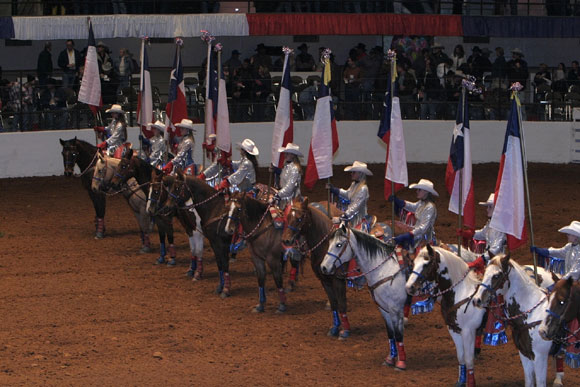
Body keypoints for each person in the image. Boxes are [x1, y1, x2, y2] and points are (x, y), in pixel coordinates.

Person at [460, 193, 506, 272]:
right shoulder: (490, 224)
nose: (487, 209)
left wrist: (482, 259)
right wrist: (470, 234)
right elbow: (482, 234)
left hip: (497, 262)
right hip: (488, 258)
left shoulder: (500, 227)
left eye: (490, 207)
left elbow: (495, 249)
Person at [388, 179, 438, 250]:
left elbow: (423, 228)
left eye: (419, 190)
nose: (417, 191)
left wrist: (410, 234)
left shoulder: (430, 207)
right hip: (416, 233)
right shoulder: (422, 203)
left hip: (424, 238)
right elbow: (413, 206)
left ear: (426, 191)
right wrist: (399, 201)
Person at [327, 161, 372, 230]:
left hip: (358, 219)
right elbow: (348, 194)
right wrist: (336, 190)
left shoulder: (363, 189)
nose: (351, 174)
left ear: (360, 174)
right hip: (351, 216)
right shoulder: (354, 185)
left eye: (354, 172)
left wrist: (344, 216)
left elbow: (355, 206)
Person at [269, 143, 302, 212]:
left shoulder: (294, 169)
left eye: (288, 153)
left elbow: (289, 188)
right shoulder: (287, 166)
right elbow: (284, 175)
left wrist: (277, 195)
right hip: (284, 197)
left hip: (291, 200)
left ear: (293, 155)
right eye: (285, 153)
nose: (285, 155)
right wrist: (276, 170)